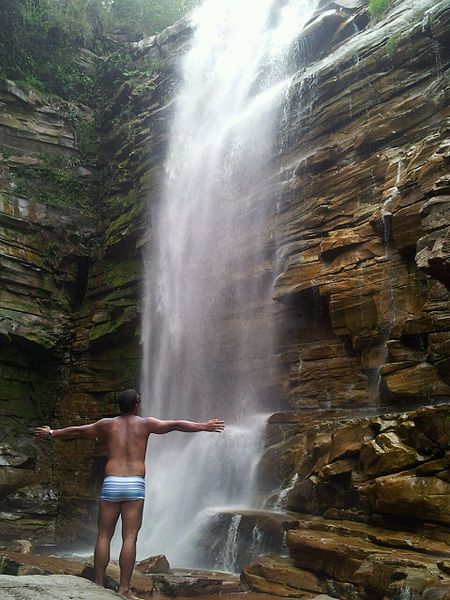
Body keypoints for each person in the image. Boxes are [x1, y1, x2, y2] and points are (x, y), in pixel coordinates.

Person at [35, 389, 225, 600]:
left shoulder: (107, 425)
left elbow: (79, 431)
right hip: (134, 483)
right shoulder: (145, 424)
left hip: (112, 482)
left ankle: (98, 585)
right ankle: (124, 589)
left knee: (104, 535)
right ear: (136, 405)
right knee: (130, 537)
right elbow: (175, 424)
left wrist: (51, 433)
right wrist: (204, 426)